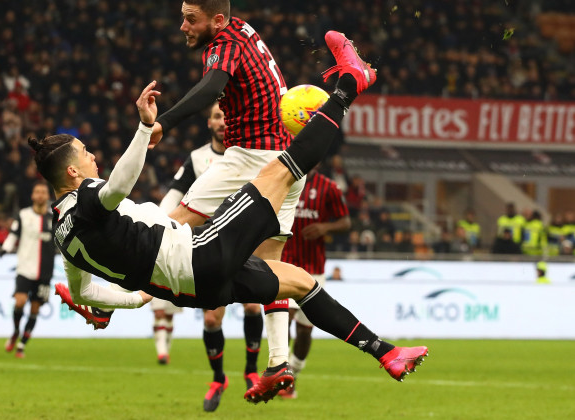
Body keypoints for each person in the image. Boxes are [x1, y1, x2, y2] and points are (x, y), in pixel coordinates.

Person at [36, 33, 427, 404]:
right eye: (84, 152)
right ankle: (349, 84)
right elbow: (118, 185)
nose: (91, 157)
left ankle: (386, 353)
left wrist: (116, 306)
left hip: (194, 291)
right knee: (282, 168)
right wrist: (143, 128)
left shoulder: (62, 234)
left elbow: (85, 293)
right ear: (71, 173)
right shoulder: (87, 195)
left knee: (300, 283)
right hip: (200, 254)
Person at [148, 0, 301, 400]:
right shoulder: (244, 30)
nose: (183, 25)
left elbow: (212, 88)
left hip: (250, 155)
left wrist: (163, 122)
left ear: (217, 19)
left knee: (177, 224)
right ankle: (278, 364)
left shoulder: (225, 43)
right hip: (285, 160)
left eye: (190, 18)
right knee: (273, 269)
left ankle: (113, 300)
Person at [149, 103, 264, 412]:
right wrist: (156, 227)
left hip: (248, 239)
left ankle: (252, 370)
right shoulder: (197, 159)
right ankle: (218, 378)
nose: (223, 121)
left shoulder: (253, 153)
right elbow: (174, 195)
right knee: (212, 317)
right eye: (216, 115)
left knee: (254, 303)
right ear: (209, 123)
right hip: (210, 244)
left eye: (227, 115)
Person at [278, 168, 351, 399]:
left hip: (314, 270)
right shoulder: (282, 177)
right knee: (283, 319)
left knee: (304, 330)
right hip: (284, 265)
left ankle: (294, 374)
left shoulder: (329, 187)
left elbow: (346, 221)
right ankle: (282, 372)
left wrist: (325, 227)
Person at [0, 182, 55, 358]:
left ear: (47, 196)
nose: (40, 195)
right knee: (20, 302)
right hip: (25, 268)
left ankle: (22, 344)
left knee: (35, 308)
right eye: (37, 192)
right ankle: (16, 331)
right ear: (32, 196)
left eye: (43, 192)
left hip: (45, 270)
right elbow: (14, 234)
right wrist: (5, 248)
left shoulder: (54, 216)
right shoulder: (23, 215)